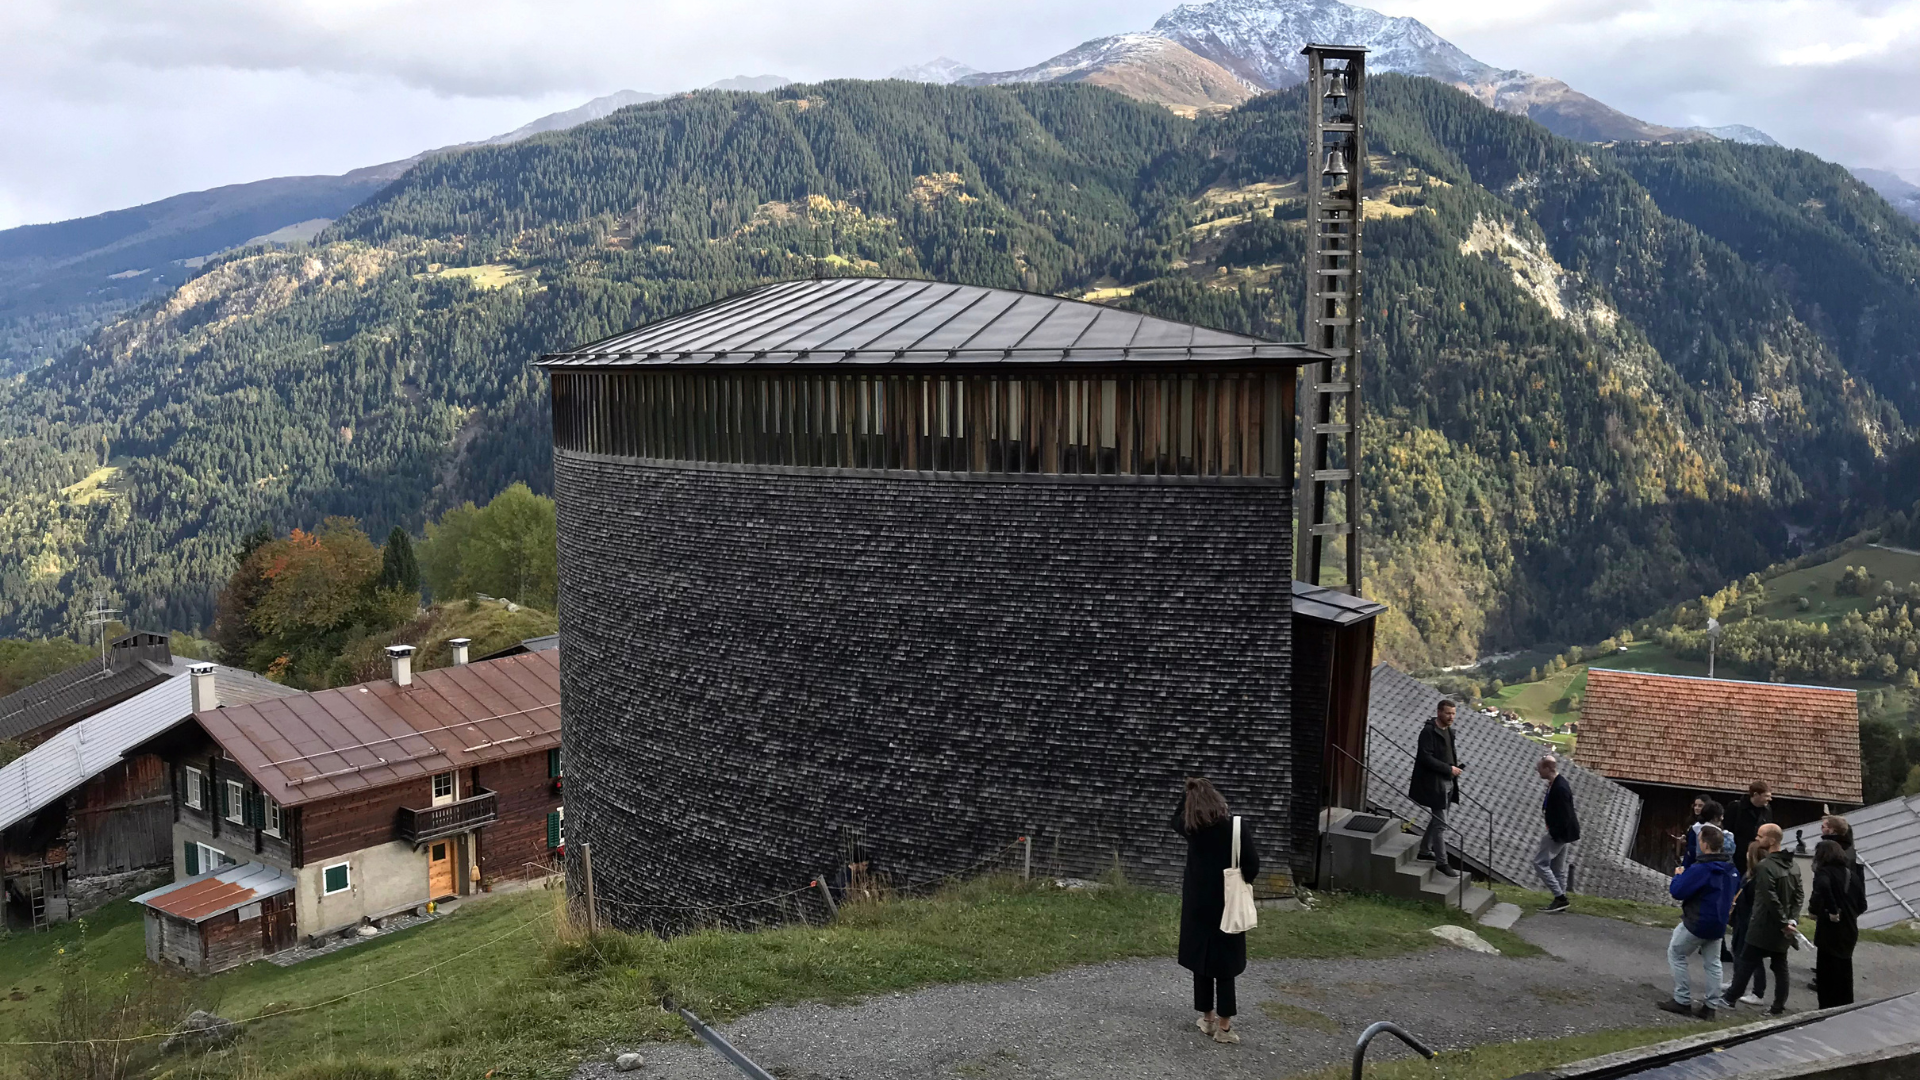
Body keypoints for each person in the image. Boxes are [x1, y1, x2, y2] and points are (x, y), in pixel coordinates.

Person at [1172, 777, 1260, 1045]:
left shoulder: (1190, 828)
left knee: (1202, 962)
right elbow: (1252, 867)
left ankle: (1207, 1019)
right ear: (1218, 801)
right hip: (1228, 905)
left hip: (1198, 905)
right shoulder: (1236, 827)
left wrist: (1188, 792)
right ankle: (1225, 1028)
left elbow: (1174, 818)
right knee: (1225, 966)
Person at [1660, 824, 1737, 1019]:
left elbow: (1678, 892)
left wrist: (1678, 876)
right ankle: (1710, 1006)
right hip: (1718, 923)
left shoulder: (1701, 869)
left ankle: (1682, 999)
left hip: (1698, 920)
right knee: (1713, 963)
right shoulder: (1731, 870)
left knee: (1676, 952)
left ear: (1704, 844)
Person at [1725, 824, 1803, 1015]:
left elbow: (1769, 898)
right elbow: (1798, 896)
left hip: (1762, 925)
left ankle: (1730, 999)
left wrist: (1784, 921)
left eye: (1761, 836)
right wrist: (1791, 920)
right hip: (1782, 928)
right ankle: (1777, 1006)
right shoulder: (1793, 865)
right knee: (1780, 966)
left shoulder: (1765, 867)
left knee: (1746, 961)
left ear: (1772, 840)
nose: (1757, 839)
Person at [1810, 815, 1868, 1009]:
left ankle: (1827, 1009)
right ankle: (1845, 1008)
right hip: (1849, 924)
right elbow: (1862, 903)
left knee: (1827, 972)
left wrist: (1829, 910)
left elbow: (1823, 887)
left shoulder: (1826, 869)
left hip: (1832, 924)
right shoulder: (1852, 866)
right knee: (1844, 971)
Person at [1408, 699, 1464, 877]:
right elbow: (1425, 758)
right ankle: (1442, 862)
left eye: (1453, 713)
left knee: (1437, 820)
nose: (1451, 717)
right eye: (1448, 713)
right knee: (1442, 824)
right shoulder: (1428, 732)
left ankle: (1424, 850)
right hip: (1434, 784)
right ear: (1439, 712)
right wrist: (1448, 769)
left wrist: (1454, 769)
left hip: (1447, 782)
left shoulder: (1449, 732)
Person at [1532, 755, 1579, 912]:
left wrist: (1553, 833)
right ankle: (1561, 900)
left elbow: (1565, 815)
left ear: (1547, 768)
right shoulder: (1556, 783)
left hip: (1558, 832)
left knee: (1539, 863)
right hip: (1564, 833)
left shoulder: (1559, 788)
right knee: (1558, 868)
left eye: (1539, 769)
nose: (1538, 771)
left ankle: (1560, 898)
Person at [1681, 800, 1735, 868]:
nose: (1722, 818)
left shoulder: (1695, 829)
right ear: (1715, 817)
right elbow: (1729, 852)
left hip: (1695, 867)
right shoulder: (1718, 834)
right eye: (1721, 815)